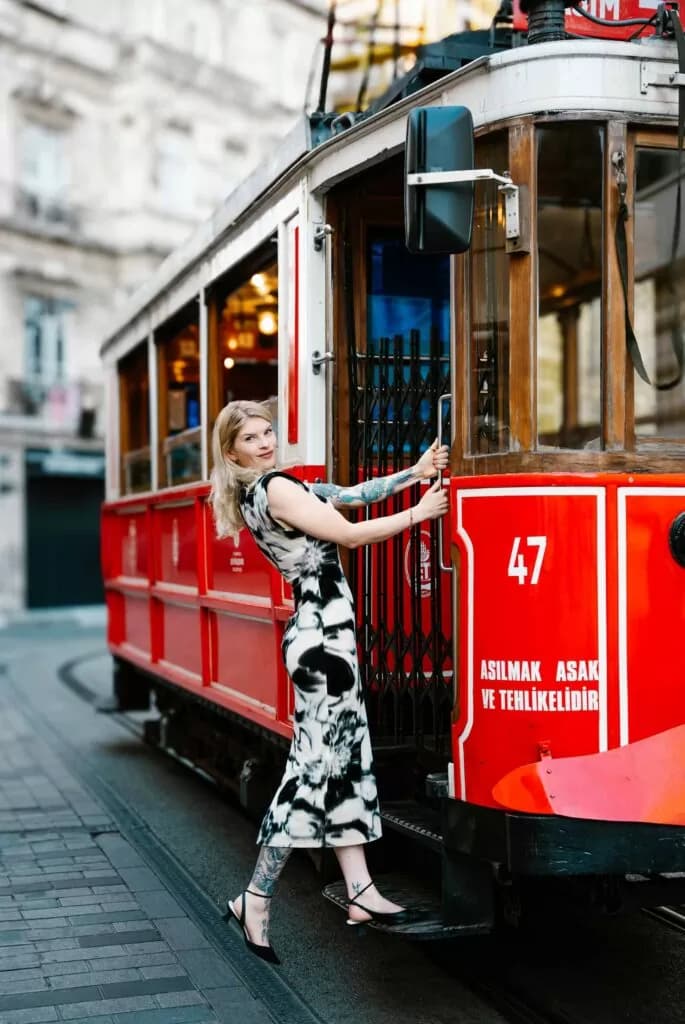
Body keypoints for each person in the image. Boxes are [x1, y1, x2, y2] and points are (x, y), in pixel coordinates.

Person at [210, 399, 449, 965]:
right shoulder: (275, 489)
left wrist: (412, 473)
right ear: (232, 453)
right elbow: (350, 534)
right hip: (322, 642)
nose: (266, 442)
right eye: (251, 438)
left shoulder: (272, 489)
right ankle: (254, 899)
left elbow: (349, 495)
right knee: (310, 771)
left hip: (324, 638)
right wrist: (419, 512)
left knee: (344, 761)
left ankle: (360, 890)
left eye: (268, 431)